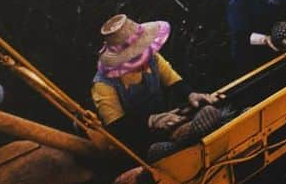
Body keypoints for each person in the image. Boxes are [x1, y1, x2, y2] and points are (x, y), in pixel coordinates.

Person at [91, 14, 218, 154]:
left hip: (167, 121)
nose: (143, 63)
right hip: (134, 138)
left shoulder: (152, 57)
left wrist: (190, 94)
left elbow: (173, 81)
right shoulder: (103, 85)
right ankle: (165, 148)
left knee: (196, 115)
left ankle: (183, 136)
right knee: (155, 148)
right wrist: (151, 120)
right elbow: (117, 127)